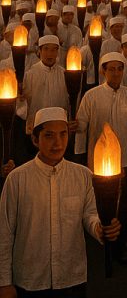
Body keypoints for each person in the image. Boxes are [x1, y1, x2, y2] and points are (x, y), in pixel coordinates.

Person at [0, 107, 120, 297]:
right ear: (35, 139)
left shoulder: (82, 175)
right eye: (49, 136)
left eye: (63, 134)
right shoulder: (18, 179)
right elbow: (4, 232)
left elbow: (90, 214)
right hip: (31, 280)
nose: (58, 143)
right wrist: (4, 282)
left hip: (71, 278)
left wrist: (100, 228)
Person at [75, 51, 127, 263]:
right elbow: (82, 128)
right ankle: (103, 242)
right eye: (112, 69)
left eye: (120, 68)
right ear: (103, 71)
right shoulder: (92, 97)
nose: (116, 73)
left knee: (125, 205)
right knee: (99, 206)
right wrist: (80, 157)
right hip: (99, 165)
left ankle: (121, 244)